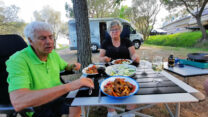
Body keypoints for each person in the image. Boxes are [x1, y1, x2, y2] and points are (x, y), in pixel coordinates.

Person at [6, 21, 94, 117]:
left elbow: (64, 66)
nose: (49, 42)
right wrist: (69, 86)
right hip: (38, 105)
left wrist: (72, 66)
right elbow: (19, 101)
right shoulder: (18, 60)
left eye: (50, 37)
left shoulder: (52, 54)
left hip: (59, 96)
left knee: (77, 103)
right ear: (30, 41)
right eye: (42, 38)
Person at [99, 20, 140, 117]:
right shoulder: (105, 42)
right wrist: (104, 58)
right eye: (112, 30)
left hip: (127, 71)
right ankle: (112, 111)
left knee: (132, 87)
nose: (114, 32)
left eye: (116, 29)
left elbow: (133, 54)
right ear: (109, 32)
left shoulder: (127, 41)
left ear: (120, 30)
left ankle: (129, 111)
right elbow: (100, 58)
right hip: (110, 71)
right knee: (108, 87)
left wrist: (135, 57)